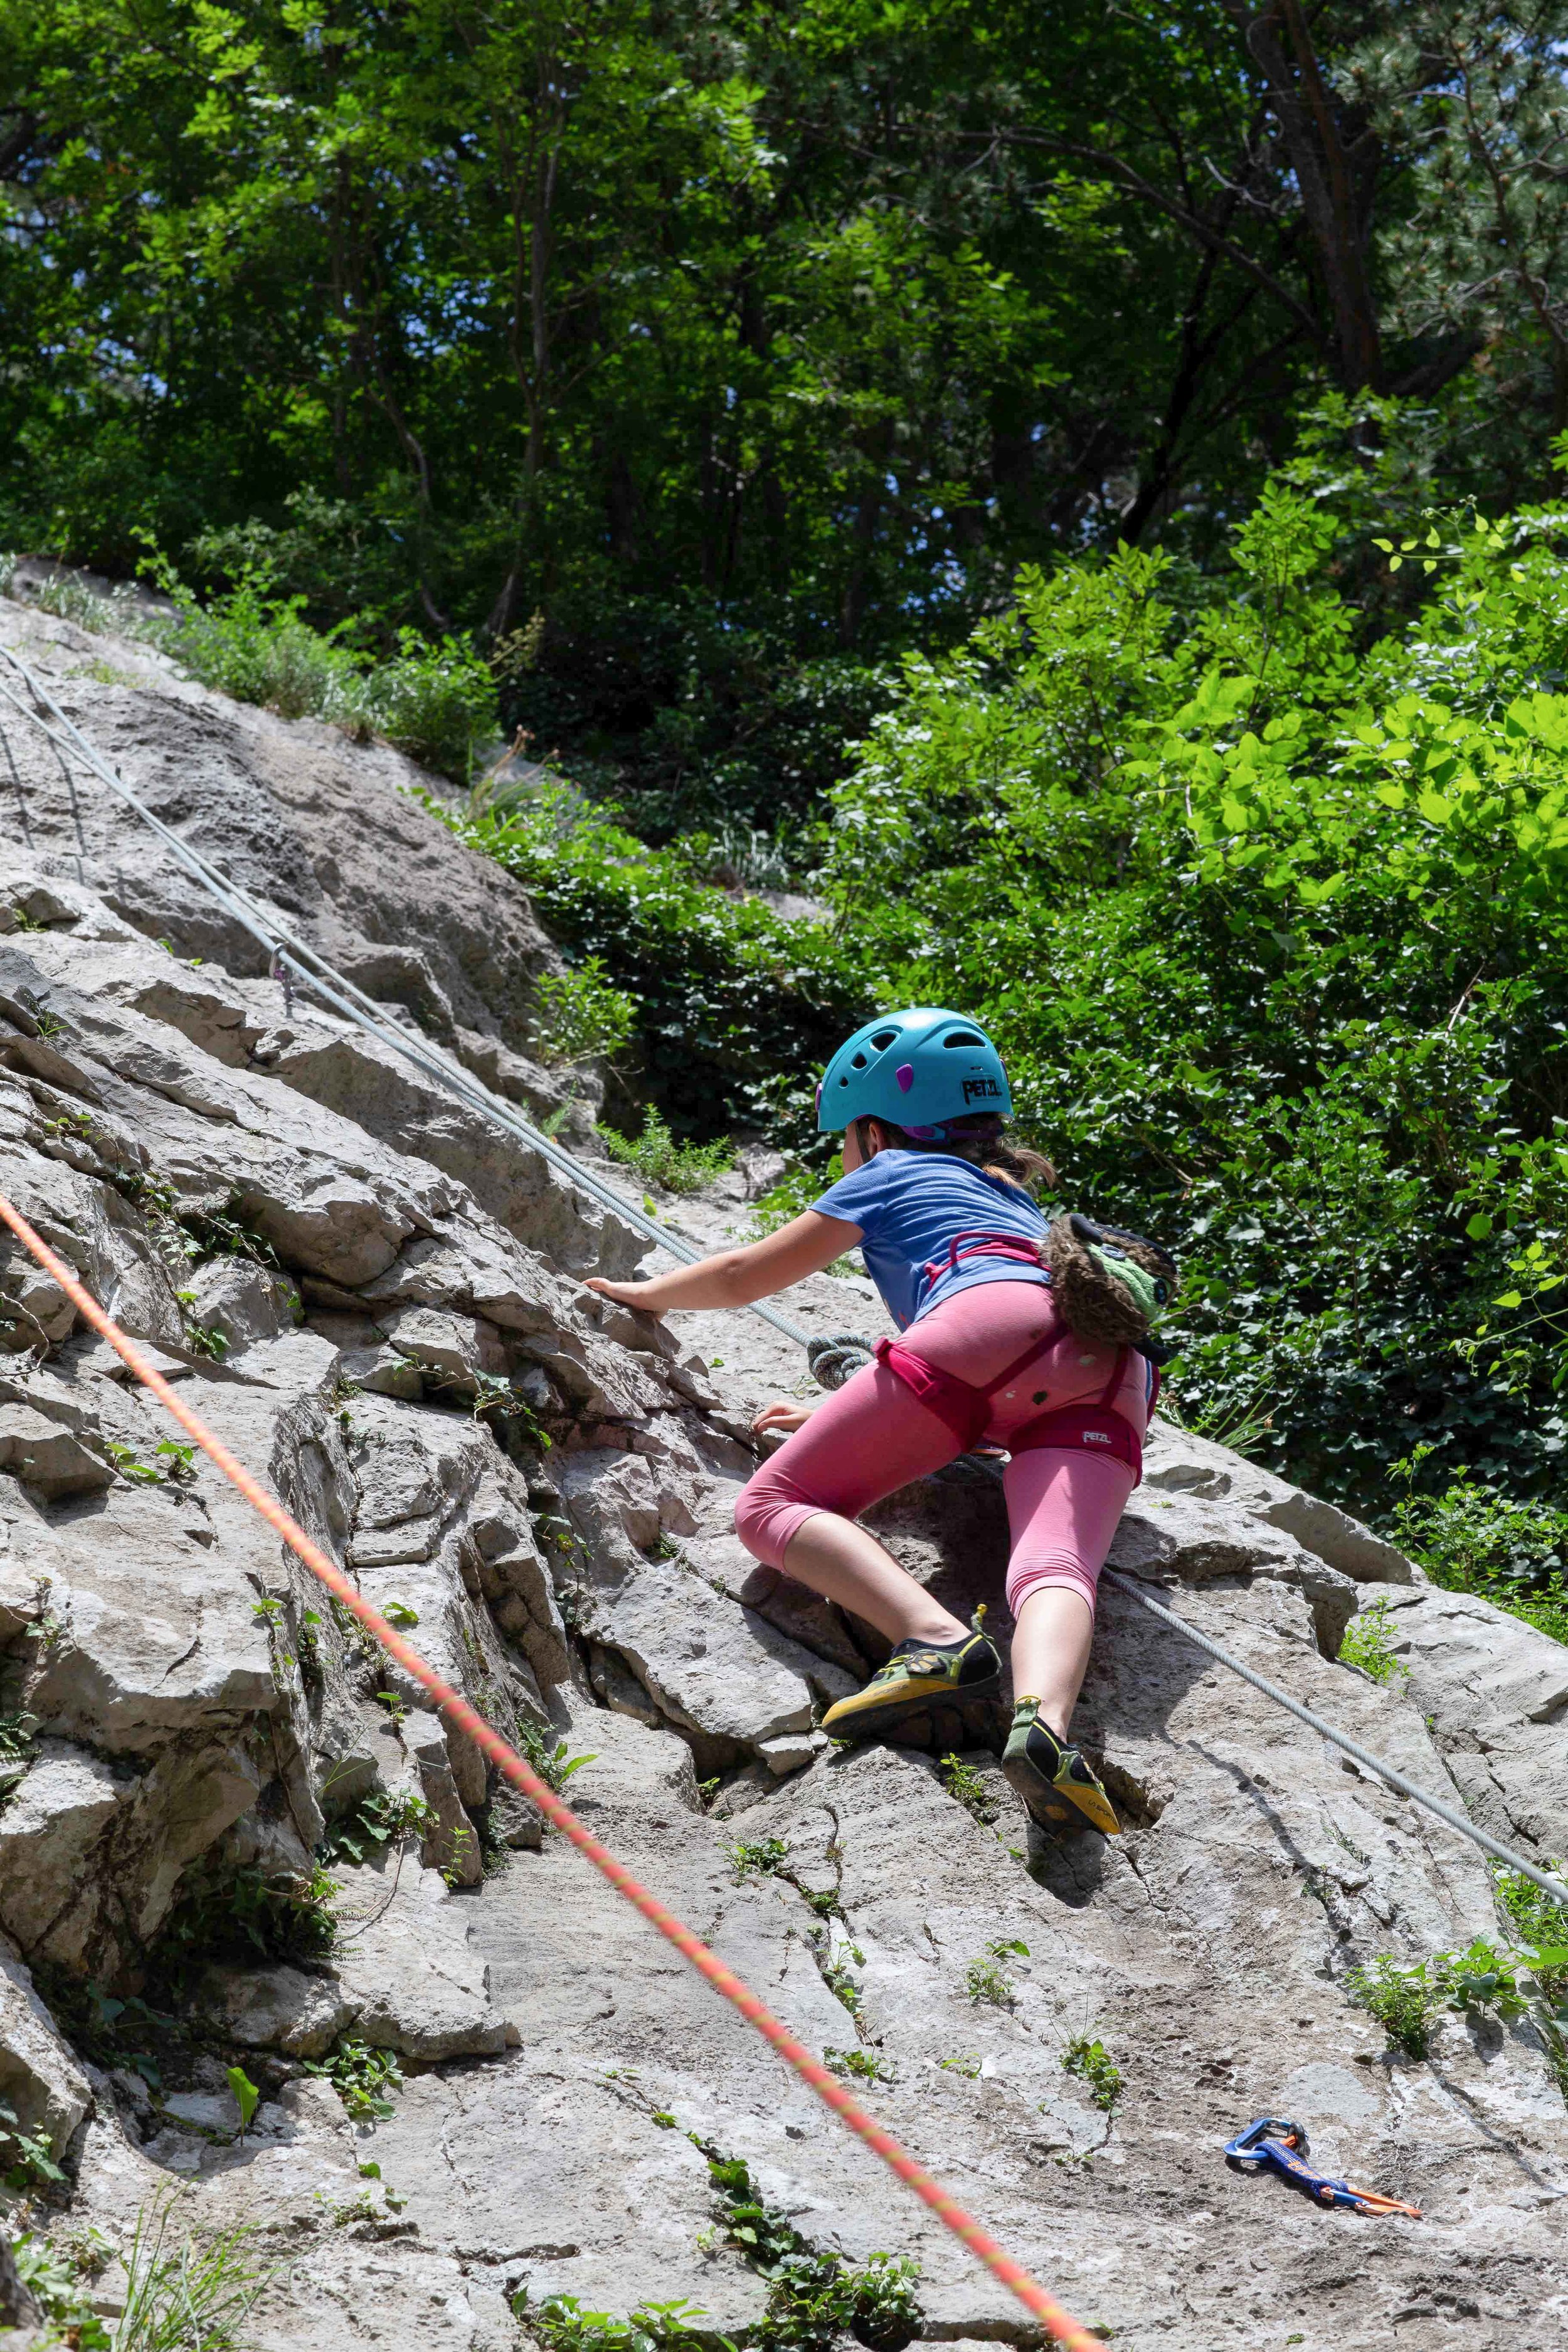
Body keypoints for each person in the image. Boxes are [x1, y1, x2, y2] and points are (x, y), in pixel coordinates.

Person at [585, 1007, 1162, 1836]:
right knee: (1056, 1566)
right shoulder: (1019, 1203)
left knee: (773, 1506)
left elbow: (749, 1273)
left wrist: (639, 1295)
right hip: (1112, 1369)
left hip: (986, 1329)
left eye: (844, 1135)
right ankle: (1046, 1729)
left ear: (874, 1125)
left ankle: (934, 1639)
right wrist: (843, 1409)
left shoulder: (892, 1171)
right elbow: (997, 1372)